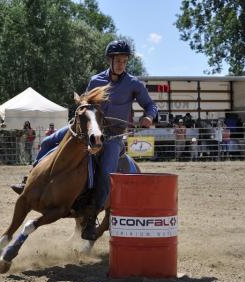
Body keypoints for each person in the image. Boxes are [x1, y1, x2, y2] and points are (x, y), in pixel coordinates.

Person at [10, 39, 158, 240]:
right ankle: (29, 181)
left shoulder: (133, 84)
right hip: (86, 128)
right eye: (118, 60)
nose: (121, 64)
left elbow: (150, 106)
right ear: (110, 60)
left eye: (124, 61)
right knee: (47, 142)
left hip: (112, 136)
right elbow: (85, 104)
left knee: (106, 171)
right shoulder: (96, 80)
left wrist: (148, 116)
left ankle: (90, 218)